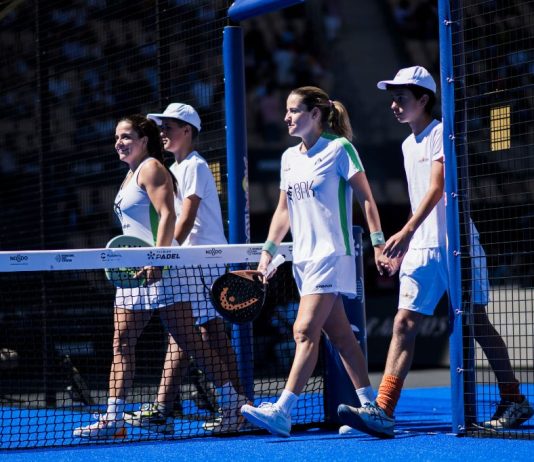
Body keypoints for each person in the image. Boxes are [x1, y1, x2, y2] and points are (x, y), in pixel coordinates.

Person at [337, 66, 534, 439]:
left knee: (476, 323)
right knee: (402, 324)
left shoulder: (442, 132)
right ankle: (383, 409)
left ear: (424, 100)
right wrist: (409, 241)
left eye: (402, 97)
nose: (394, 104)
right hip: (421, 248)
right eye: (392, 97)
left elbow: (438, 187)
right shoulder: (406, 144)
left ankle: (513, 398)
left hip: (456, 245)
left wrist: (406, 231)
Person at [73, 114, 247, 439]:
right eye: (116, 137)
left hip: (164, 271)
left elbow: (168, 213)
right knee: (121, 343)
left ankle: (233, 404)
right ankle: (114, 420)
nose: (119, 143)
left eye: (126, 136)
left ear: (143, 141)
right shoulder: (128, 176)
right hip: (133, 273)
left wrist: (158, 257)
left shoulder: (152, 168)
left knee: (193, 342)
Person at [240, 86, 386, 437]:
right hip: (303, 260)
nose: (286, 116)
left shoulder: (339, 149)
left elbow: (366, 199)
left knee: (303, 331)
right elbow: (283, 211)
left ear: (316, 114)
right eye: (287, 111)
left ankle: (282, 410)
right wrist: (267, 256)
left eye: (294, 110)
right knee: (340, 337)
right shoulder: (289, 158)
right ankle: (373, 409)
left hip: (332, 255)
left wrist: (378, 243)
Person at [123, 103, 247, 434]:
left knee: (208, 335)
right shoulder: (173, 169)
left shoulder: (195, 166)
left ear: (187, 131)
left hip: (202, 260)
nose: (162, 132)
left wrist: (163, 257)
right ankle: (225, 407)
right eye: (160, 127)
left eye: (169, 127)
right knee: (190, 333)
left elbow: (186, 216)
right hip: (186, 261)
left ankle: (237, 408)